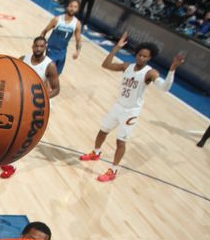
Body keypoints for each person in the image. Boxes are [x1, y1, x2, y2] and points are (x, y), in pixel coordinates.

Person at [79, 33, 185, 182]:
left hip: (131, 112)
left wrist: (172, 68)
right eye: (140, 55)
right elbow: (106, 65)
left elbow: (164, 88)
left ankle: (113, 170)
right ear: (137, 54)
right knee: (102, 131)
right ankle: (96, 153)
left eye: (145, 57)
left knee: (120, 142)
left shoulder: (150, 72)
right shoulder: (127, 66)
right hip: (118, 105)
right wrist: (116, 48)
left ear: (149, 58)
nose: (142, 58)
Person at [0, 38, 60, 179]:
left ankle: (12, 165)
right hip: (19, 102)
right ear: (32, 46)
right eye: (36, 46)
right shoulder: (23, 59)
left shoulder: (49, 65)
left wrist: (43, 99)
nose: (38, 48)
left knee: (23, 137)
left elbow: (56, 89)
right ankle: (5, 159)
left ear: (45, 47)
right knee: (9, 130)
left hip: (36, 107)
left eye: (41, 46)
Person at [40, 0, 82, 75]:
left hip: (62, 52)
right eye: (71, 6)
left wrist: (78, 51)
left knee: (56, 74)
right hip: (51, 50)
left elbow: (78, 40)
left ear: (78, 9)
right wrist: (41, 45)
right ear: (67, 7)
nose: (72, 8)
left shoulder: (77, 24)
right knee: (48, 73)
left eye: (75, 7)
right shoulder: (57, 19)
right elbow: (44, 31)